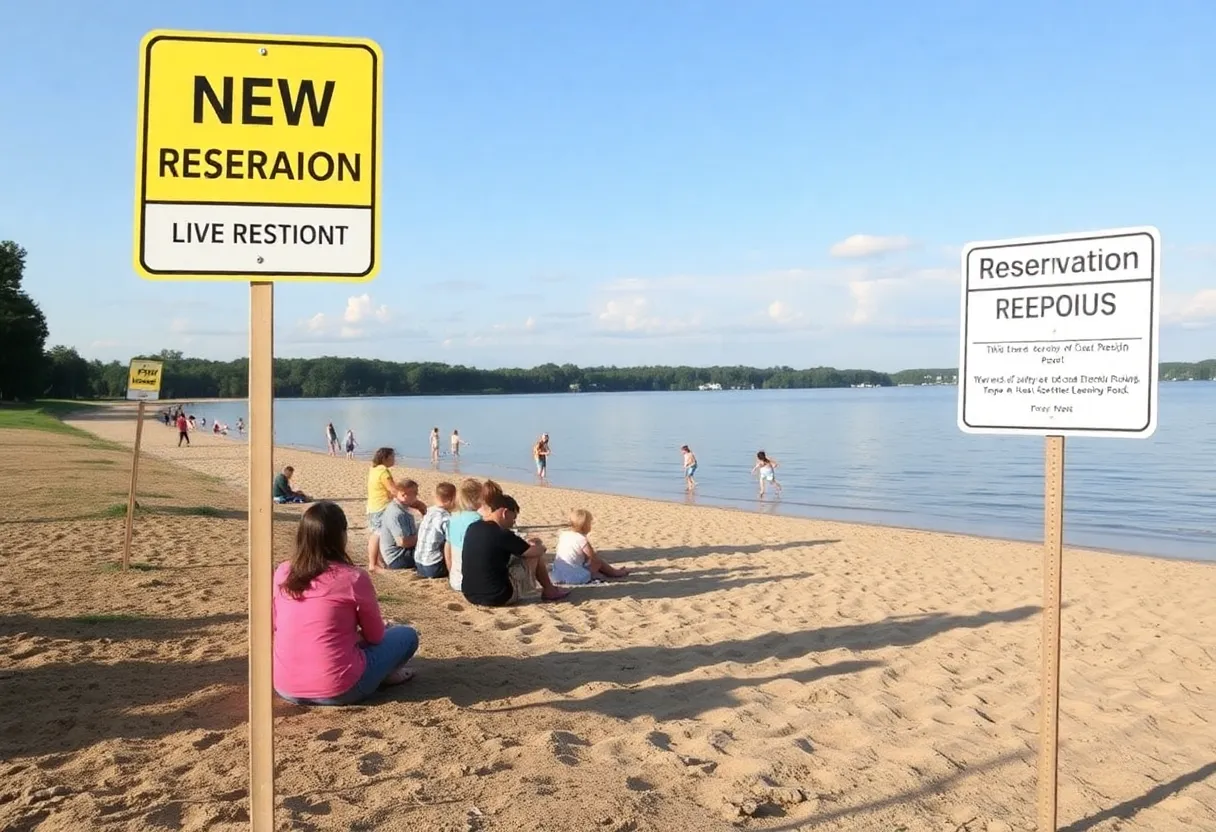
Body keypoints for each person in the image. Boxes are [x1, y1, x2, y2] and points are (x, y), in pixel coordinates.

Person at [272, 501, 420, 705]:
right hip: (339, 688)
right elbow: (375, 636)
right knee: (407, 635)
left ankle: (380, 673)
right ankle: (384, 675)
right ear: (342, 536)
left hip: (286, 686)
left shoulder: (283, 572)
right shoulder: (352, 577)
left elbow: (276, 624)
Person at [461, 491, 570, 606]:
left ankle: (549, 589)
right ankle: (550, 590)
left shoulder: (473, 527)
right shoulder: (503, 533)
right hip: (499, 596)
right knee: (535, 556)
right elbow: (536, 552)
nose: (513, 523)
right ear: (505, 513)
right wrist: (539, 545)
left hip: (470, 594)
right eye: (513, 518)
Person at [551, 509, 629, 584]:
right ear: (585, 525)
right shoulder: (581, 539)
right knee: (599, 562)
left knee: (584, 561)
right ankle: (615, 573)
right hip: (574, 577)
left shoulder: (564, 535)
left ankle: (607, 571)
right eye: (590, 523)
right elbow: (594, 559)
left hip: (557, 575)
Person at [446, 478, 494, 592]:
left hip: (455, 579)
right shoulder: (478, 520)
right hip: (473, 582)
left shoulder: (453, 518)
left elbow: (447, 548)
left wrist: (451, 571)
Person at [366, 447, 403, 572]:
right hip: (380, 506)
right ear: (386, 458)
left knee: (378, 534)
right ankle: (373, 563)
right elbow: (393, 490)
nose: (394, 459)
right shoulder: (383, 471)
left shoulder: (375, 469)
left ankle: (378, 561)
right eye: (392, 456)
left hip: (373, 505)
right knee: (378, 534)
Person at [414, 482, 455, 579]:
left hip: (419, 562)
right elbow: (450, 540)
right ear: (451, 500)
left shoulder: (429, 511)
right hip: (433, 565)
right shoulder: (445, 518)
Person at [379, 480, 421, 570]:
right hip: (398, 558)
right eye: (415, 493)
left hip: (397, 553)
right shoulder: (397, 513)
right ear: (403, 495)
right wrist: (423, 537)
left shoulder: (399, 507)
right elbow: (403, 542)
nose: (416, 497)